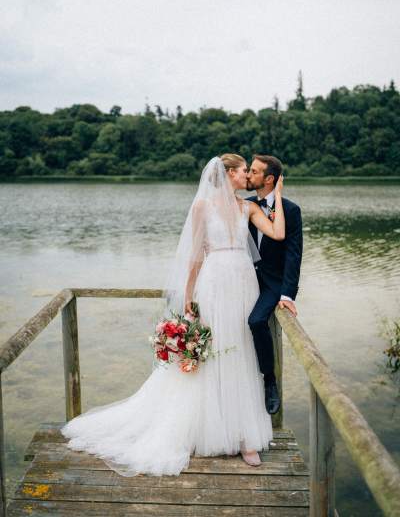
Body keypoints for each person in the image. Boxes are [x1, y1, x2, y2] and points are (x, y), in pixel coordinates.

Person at [61, 154, 286, 475]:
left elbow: (277, 233)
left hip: (244, 283)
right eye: (241, 172)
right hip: (215, 282)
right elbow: (195, 256)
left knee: (243, 353)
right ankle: (215, 430)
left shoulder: (248, 207)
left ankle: (245, 436)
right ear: (228, 175)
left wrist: (276, 194)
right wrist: (190, 298)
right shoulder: (201, 208)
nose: (247, 177)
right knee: (217, 355)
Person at [247, 155, 303, 415]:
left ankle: (269, 380)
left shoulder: (290, 210)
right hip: (244, 277)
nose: (248, 174)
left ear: (269, 179)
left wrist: (287, 294)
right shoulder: (245, 205)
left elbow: (293, 254)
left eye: (254, 171)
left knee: (257, 321)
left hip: (272, 283)